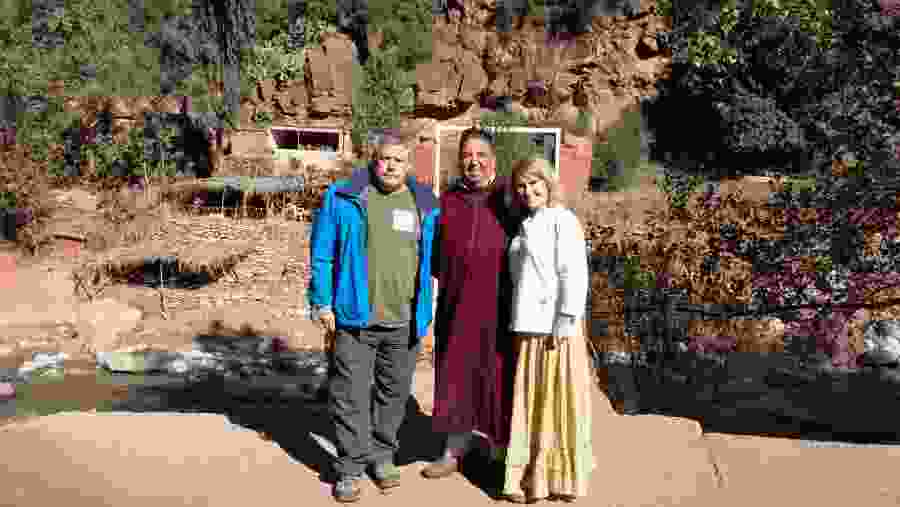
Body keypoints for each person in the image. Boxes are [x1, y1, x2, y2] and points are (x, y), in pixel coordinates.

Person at [308, 130, 440, 503]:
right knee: (349, 395)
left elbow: (438, 258)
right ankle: (350, 467)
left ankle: (382, 456)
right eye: (385, 158)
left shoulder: (426, 203)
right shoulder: (344, 196)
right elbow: (322, 254)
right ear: (373, 159)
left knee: (393, 395)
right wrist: (322, 302)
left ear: (409, 164)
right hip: (354, 317)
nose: (391, 165)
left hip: (405, 320)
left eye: (399, 159)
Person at [422, 128, 518, 482]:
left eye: (480, 154)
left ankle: (500, 451)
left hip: (499, 309)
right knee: (456, 376)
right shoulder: (448, 201)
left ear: (493, 160)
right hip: (456, 305)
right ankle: (453, 450)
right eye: (467, 155)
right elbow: (433, 256)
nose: (473, 161)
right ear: (459, 159)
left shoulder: (509, 199)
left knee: (497, 378)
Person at [501, 157, 594, 504]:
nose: (528, 191)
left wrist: (565, 321)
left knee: (555, 404)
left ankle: (556, 478)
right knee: (531, 404)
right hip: (528, 328)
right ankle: (529, 478)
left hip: (555, 331)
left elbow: (573, 273)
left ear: (548, 182)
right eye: (522, 186)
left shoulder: (562, 220)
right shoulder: (526, 224)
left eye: (534, 183)